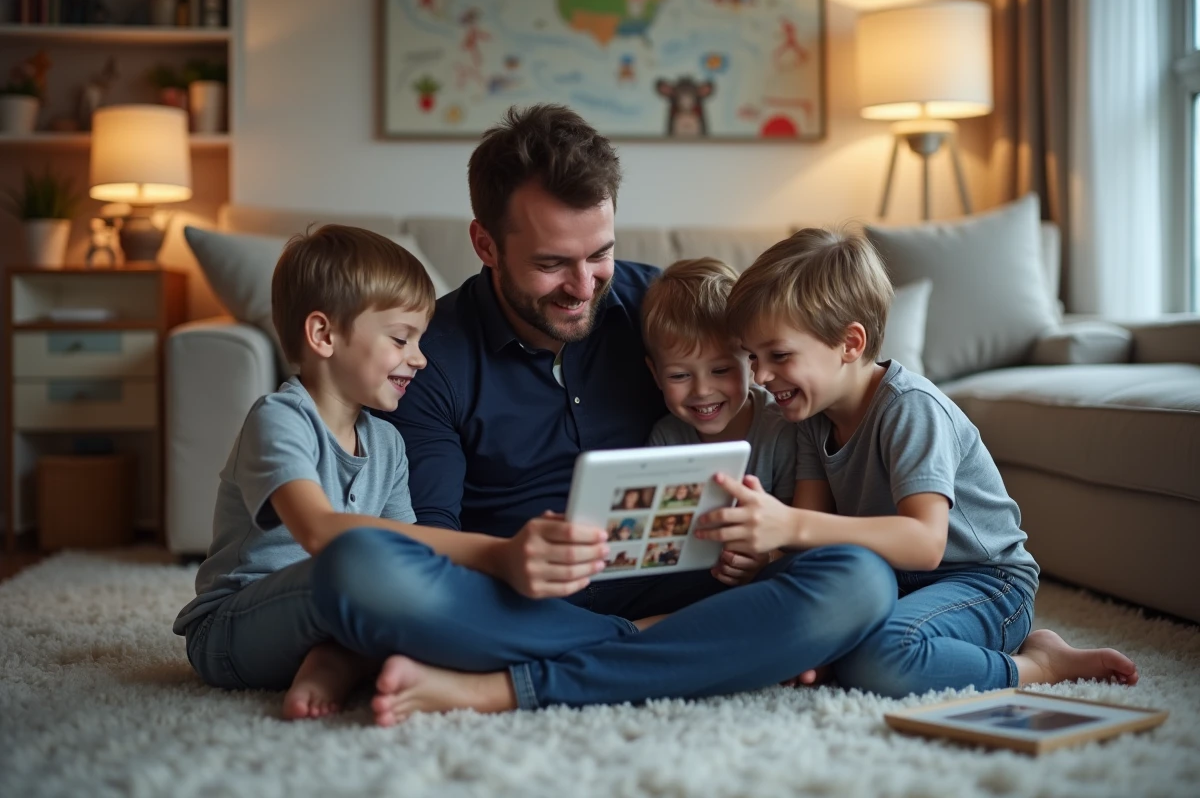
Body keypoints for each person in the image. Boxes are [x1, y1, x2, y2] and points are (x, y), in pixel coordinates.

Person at [368, 104, 898, 723]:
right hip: (524, 603)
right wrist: (508, 558)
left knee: (858, 581)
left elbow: (807, 362)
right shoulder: (432, 359)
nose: (584, 285)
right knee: (380, 585)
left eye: (599, 254)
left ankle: (508, 687)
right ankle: (687, 644)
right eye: (550, 264)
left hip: (698, 586)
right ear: (485, 244)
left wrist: (765, 556)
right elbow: (432, 542)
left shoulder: (662, 308)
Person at [697, 226, 1139, 697]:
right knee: (775, 587)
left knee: (882, 659)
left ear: (850, 343)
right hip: (891, 578)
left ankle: (1041, 665)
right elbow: (809, 541)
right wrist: (762, 557)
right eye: (753, 357)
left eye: (779, 355)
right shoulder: (810, 417)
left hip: (984, 582)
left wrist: (789, 525)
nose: (762, 377)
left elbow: (925, 543)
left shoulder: (910, 408)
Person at [173, 225, 444, 719]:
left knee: (419, 584)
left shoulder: (389, 444)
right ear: (324, 335)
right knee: (356, 565)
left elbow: (407, 554)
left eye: (420, 340)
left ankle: (335, 661)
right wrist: (490, 554)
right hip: (232, 631)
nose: (420, 358)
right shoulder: (277, 419)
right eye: (402, 338)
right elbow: (322, 534)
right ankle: (341, 658)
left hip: (338, 610)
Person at [641, 256, 796, 586]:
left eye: (721, 370)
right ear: (654, 374)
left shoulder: (782, 429)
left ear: (751, 360)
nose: (702, 390)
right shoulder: (665, 439)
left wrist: (765, 560)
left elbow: (799, 539)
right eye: (680, 375)